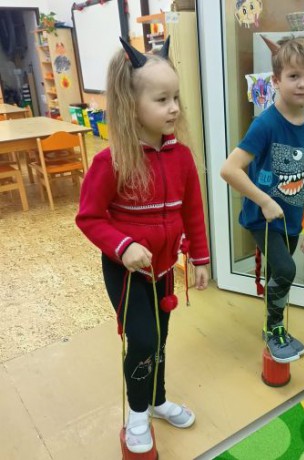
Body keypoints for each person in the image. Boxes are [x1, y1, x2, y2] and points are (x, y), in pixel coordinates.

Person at [76, 37, 209, 454]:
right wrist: (123, 246)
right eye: (162, 99)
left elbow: (193, 211)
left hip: (164, 269)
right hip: (127, 271)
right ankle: (136, 414)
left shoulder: (182, 157)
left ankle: (156, 400)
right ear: (131, 105)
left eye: (176, 98)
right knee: (144, 340)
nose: (174, 108)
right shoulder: (111, 161)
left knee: (160, 338)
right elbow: (89, 218)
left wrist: (200, 258)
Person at [220, 36, 304, 364]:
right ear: (276, 80)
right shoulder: (265, 124)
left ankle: (272, 326)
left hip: (292, 220)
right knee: (286, 270)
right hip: (263, 218)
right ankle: (274, 330)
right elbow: (229, 170)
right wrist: (264, 201)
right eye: (293, 76)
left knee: (278, 274)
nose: (302, 84)